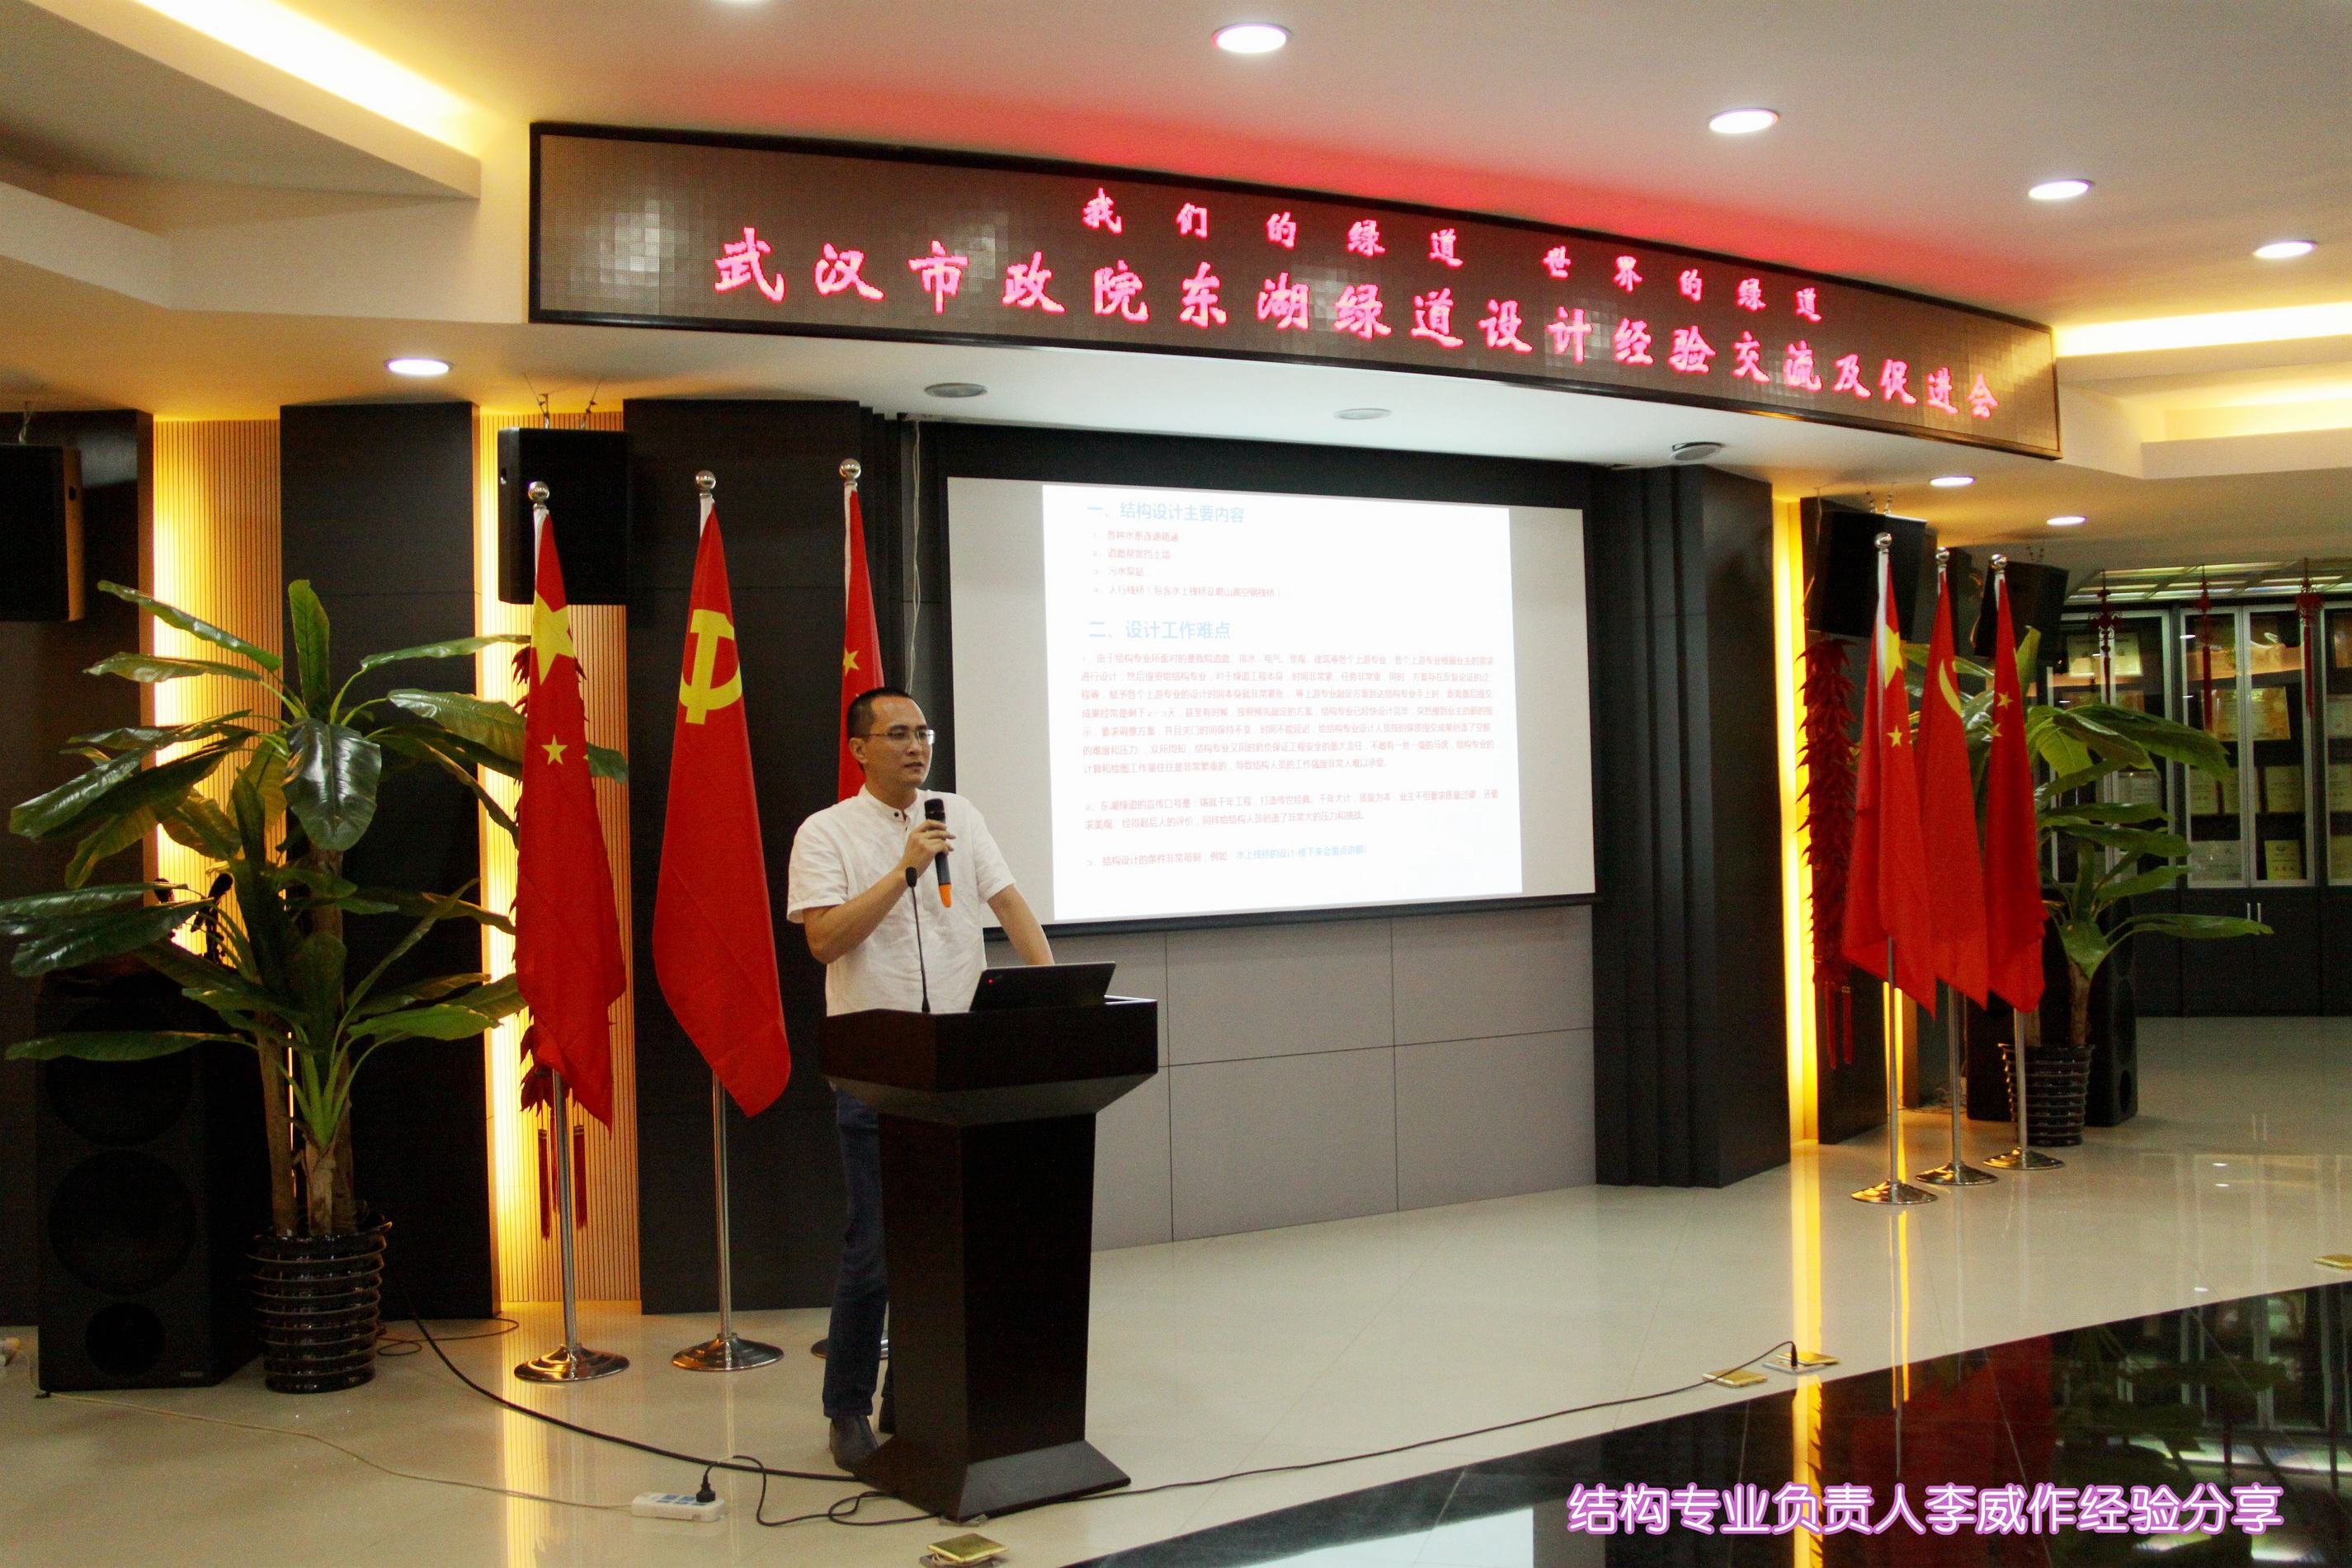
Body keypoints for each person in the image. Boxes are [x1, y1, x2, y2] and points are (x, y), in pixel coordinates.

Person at [785, 685, 1054, 1468]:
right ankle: (845, 1406)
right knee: (875, 1248)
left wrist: (1054, 992)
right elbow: (825, 941)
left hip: (960, 1062)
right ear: (859, 749)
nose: (916, 746)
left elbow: (1008, 903)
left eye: (922, 731)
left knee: (951, 1246)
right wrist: (902, 872)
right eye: (898, 733)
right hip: (877, 1070)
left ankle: (916, 1398)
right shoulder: (826, 831)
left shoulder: (957, 815)